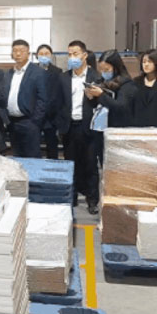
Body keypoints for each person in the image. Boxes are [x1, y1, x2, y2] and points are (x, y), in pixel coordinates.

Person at [55, 39, 100, 214]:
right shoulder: (63, 77)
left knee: (90, 165)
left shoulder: (95, 77)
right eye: (69, 54)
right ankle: (71, 197)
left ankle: (92, 200)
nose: (72, 57)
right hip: (69, 127)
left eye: (75, 54)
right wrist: (60, 124)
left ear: (84, 55)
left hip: (89, 127)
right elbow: (58, 103)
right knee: (70, 164)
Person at [85, 50, 137, 167]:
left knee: (115, 165)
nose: (104, 73)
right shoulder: (101, 81)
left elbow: (120, 107)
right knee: (100, 163)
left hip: (116, 131)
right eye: (101, 69)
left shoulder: (127, 85)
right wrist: (91, 97)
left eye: (107, 69)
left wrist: (101, 95)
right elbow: (96, 105)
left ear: (116, 67)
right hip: (99, 128)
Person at [2, 39, 46, 158]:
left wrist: (35, 121)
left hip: (30, 122)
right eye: (15, 51)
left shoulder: (38, 72)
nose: (18, 53)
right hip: (12, 123)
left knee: (32, 157)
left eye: (22, 51)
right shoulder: (8, 73)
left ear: (28, 53)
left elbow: (43, 99)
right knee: (17, 156)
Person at [133, 48, 157, 127]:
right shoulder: (136, 82)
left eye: (149, 61)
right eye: (144, 62)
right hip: (138, 127)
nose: (146, 64)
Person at [35, 44, 62, 160]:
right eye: (41, 54)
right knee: (34, 144)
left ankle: (53, 166)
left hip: (51, 116)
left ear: (51, 55)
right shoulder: (32, 70)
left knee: (52, 144)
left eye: (46, 54)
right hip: (35, 114)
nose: (44, 56)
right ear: (37, 56)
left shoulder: (57, 72)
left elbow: (57, 93)